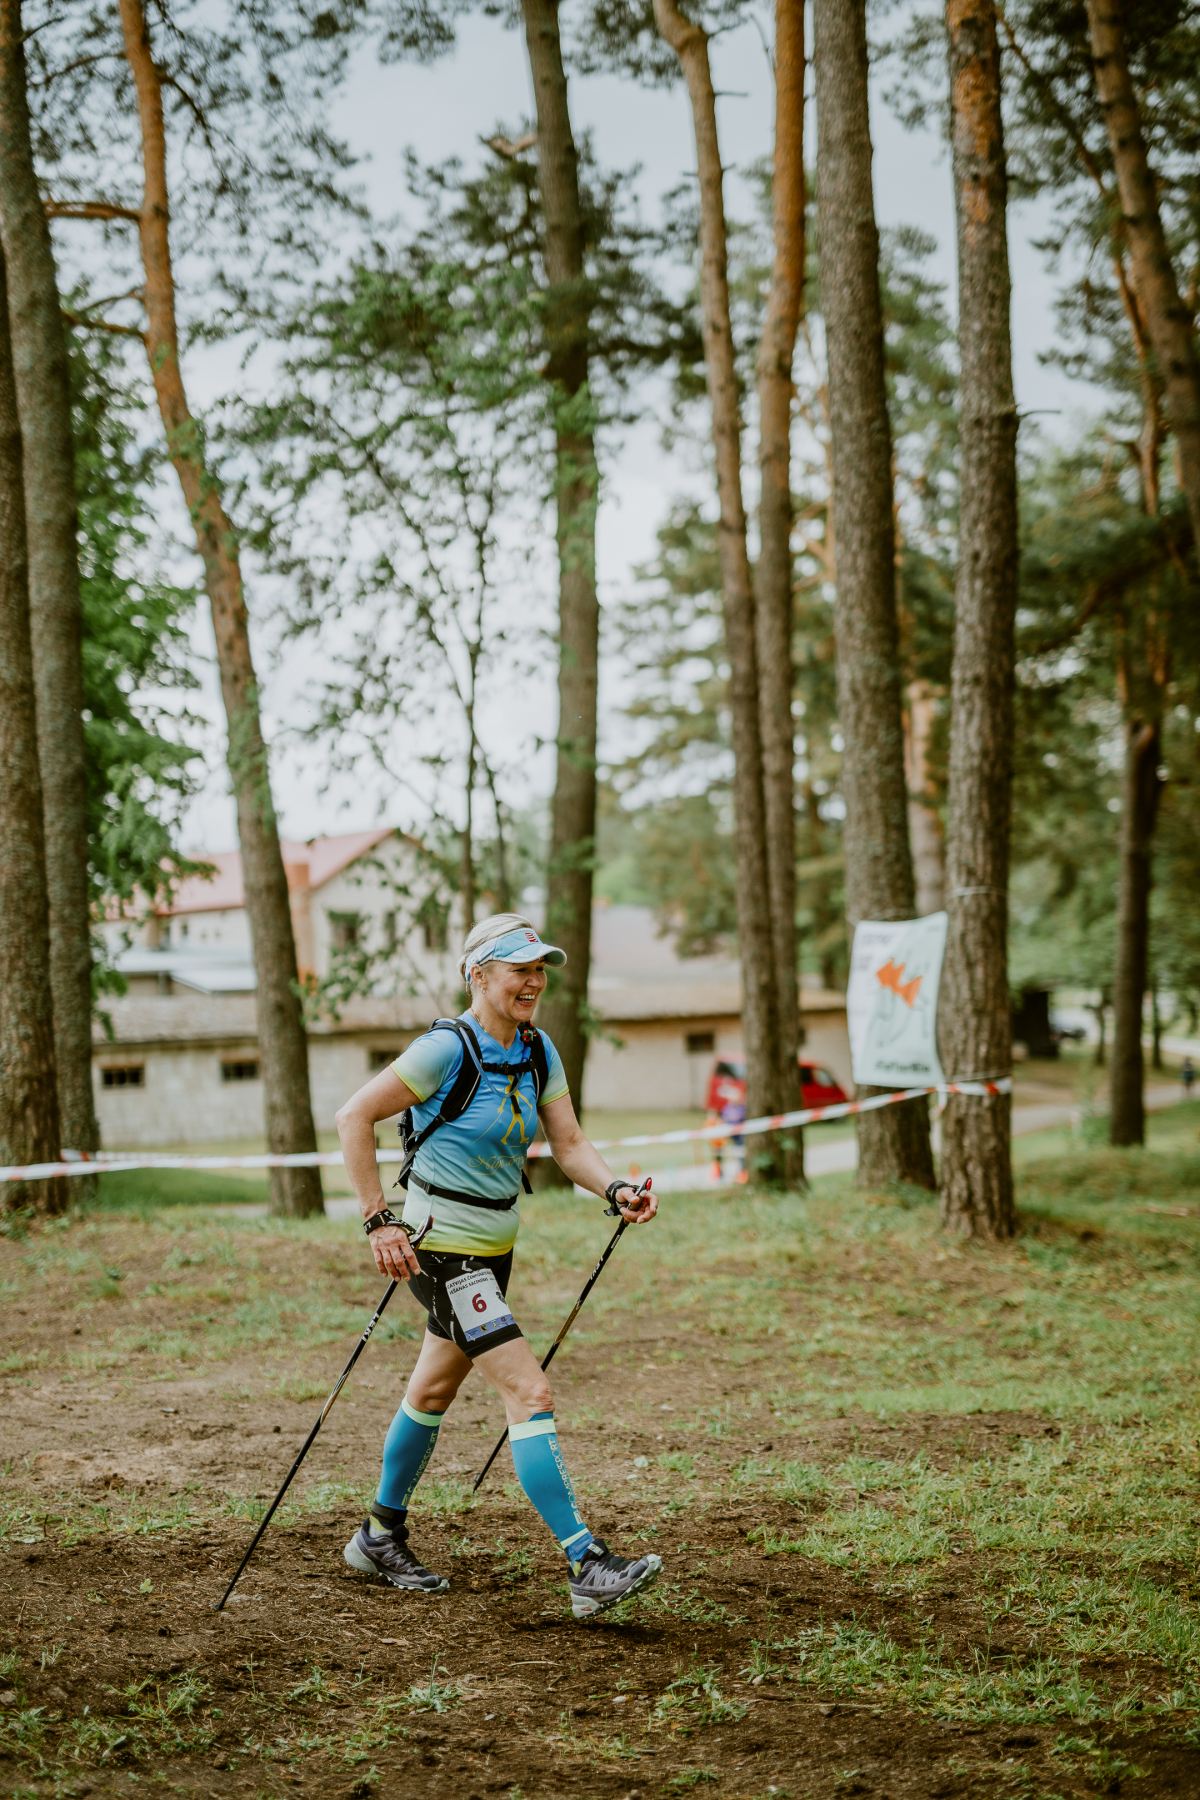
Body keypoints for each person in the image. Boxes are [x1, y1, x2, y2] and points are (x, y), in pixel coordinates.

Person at [335, 912, 663, 1620]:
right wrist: (377, 1219)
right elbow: (352, 1116)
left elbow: (569, 1142)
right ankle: (586, 1561)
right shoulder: (442, 1051)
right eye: (519, 969)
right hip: (442, 1249)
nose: (534, 981)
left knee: (431, 1392)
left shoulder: (539, 1050)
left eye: (539, 969)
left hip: (493, 1250)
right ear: (477, 975)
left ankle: (378, 1535)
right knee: (530, 1391)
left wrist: (616, 1188)